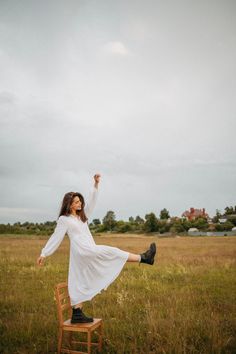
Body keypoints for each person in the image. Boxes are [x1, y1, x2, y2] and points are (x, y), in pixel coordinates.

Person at [37, 173, 157, 323]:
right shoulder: (64, 219)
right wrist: (44, 253)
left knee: (79, 277)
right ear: (69, 204)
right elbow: (56, 237)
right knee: (113, 252)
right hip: (84, 251)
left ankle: (77, 313)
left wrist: (95, 185)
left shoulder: (82, 217)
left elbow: (92, 202)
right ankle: (144, 258)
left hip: (84, 252)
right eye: (76, 202)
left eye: (80, 201)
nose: (79, 204)